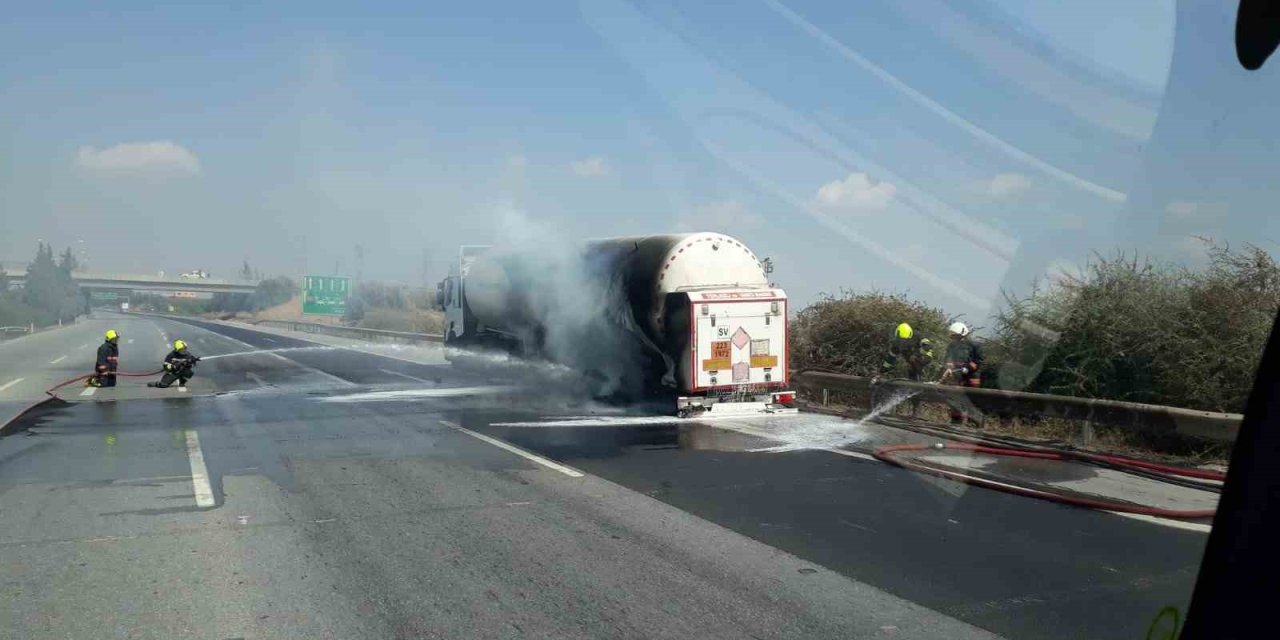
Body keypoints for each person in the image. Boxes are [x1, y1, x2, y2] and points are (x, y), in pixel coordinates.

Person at [942, 322, 983, 425]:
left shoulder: (975, 345)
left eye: (957, 337)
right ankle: (955, 422)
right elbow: (948, 359)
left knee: (971, 400)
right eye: (953, 337)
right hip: (958, 375)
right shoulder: (952, 346)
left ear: (963, 335)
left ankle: (973, 423)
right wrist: (949, 368)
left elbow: (979, 362)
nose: (955, 339)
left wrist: (968, 368)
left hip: (972, 376)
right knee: (954, 399)